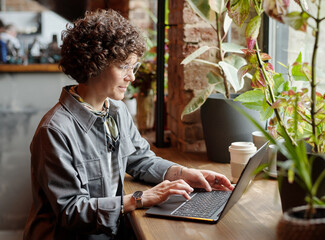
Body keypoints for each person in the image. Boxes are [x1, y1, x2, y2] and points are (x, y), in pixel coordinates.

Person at [23, 9, 234, 240]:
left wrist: (184, 173)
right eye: (124, 66)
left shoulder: (116, 111)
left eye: (133, 68)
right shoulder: (54, 131)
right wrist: (140, 198)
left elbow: (140, 159)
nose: (131, 77)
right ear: (95, 64)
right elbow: (72, 212)